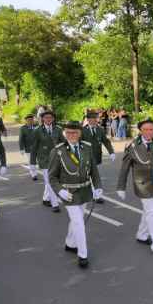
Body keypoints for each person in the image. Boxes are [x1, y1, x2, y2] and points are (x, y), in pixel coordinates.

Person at [116, 118, 153, 259]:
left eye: (151, 129)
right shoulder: (132, 146)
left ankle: (142, 235)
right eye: (146, 129)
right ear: (140, 131)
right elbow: (125, 168)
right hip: (142, 185)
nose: (149, 132)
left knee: (148, 211)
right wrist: (121, 187)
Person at [48, 121, 102, 269]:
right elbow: (52, 177)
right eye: (68, 132)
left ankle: (70, 243)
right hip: (69, 193)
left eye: (75, 132)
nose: (72, 135)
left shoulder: (87, 148)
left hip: (84, 192)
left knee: (76, 221)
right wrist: (60, 191)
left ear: (80, 133)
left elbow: (93, 171)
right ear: (64, 133)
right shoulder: (58, 151)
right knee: (78, 223)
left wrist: (98, 187)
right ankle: (83, 254)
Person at [30, 110, 64, 212]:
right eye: (46, 118)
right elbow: (34, 147)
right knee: (50, 182)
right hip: (44, 160)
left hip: (57, 159)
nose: (48, 119)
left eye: (50, 118)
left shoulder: (58, 129)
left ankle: (45, 198)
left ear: (53, 119)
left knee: (56, 181)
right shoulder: (37, 130)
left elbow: (63, 144)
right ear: (42, 119)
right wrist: (32, 162)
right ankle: (55, 204)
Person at [82, 110, 115, 204]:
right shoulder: (83, 130)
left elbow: (106, 141)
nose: (94, 121)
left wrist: (111, 152)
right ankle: (94, 195)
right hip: (86, 158)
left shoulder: (100, 129)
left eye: (95, 119)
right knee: (88, 177)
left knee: (95, 177)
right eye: (91, 119)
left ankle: (96, 195)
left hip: (97, 157)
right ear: (87, 120)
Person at [18, 114, 38, 181]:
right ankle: (33, 174)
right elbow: (21, 139)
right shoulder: (23, 128)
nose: (30, 121)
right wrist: (21, 148)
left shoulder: (37, 127)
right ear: (26, 121)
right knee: (31, 162)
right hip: (28, 148)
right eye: (28, 120)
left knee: (38, 161)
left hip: (38, 148)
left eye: (31, 120)